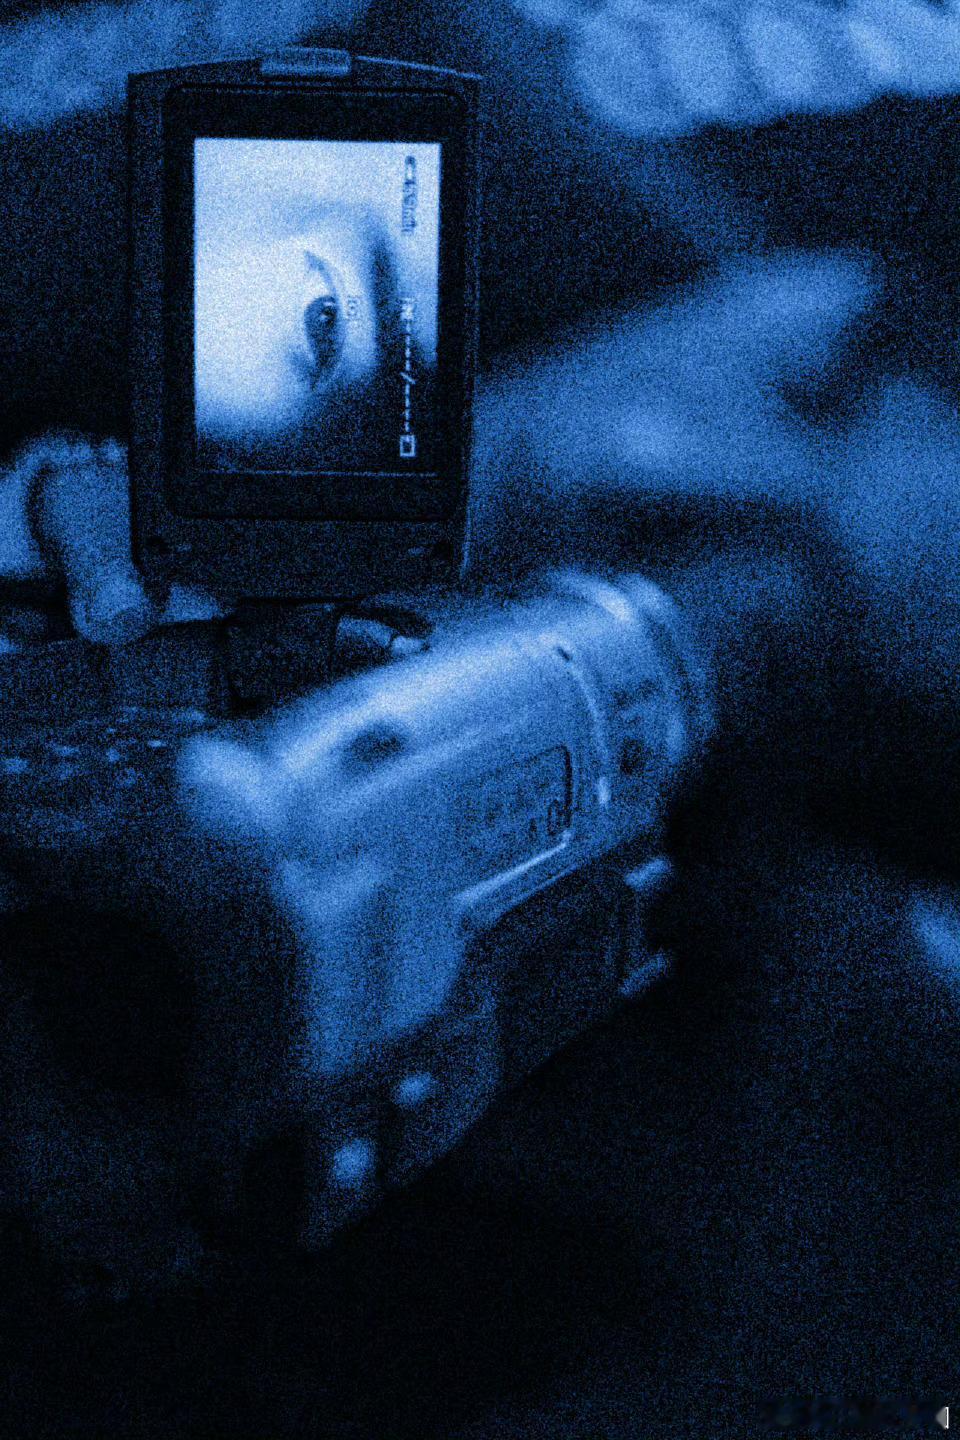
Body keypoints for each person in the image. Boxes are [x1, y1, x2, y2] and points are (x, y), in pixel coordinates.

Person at [2, 0, 960, 1433]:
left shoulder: (746, 1157)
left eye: (783, 633)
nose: (658, 467)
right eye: (809, 401)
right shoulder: (351, 129)